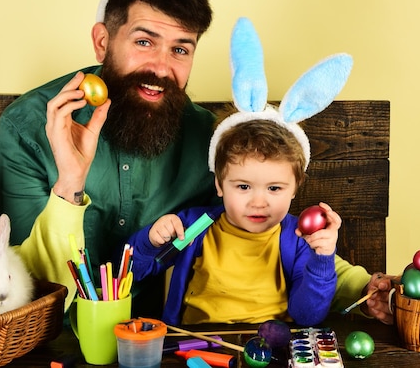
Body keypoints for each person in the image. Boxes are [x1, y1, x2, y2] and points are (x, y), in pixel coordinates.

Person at [0, 0, 395, 323]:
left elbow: (261, 234)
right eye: (144, 42)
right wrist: (69, 185)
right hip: (50, 340)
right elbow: (25, 286)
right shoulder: (29, 127)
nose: (162, 68)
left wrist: (363, 285)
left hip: (162, 339)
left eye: (180, 49)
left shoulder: (211, 142)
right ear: (102, 40)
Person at [127, 118, 338, 326]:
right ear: (219, 185)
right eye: (243, 187)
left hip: (271, 348)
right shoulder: (194, 227)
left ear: (295, 187)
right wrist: (150, 242)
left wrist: (322, 261)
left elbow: (307, 316)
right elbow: (133, 272)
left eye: (274, 188)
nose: (258, 203)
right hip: (195, 346)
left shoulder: (298, 239)